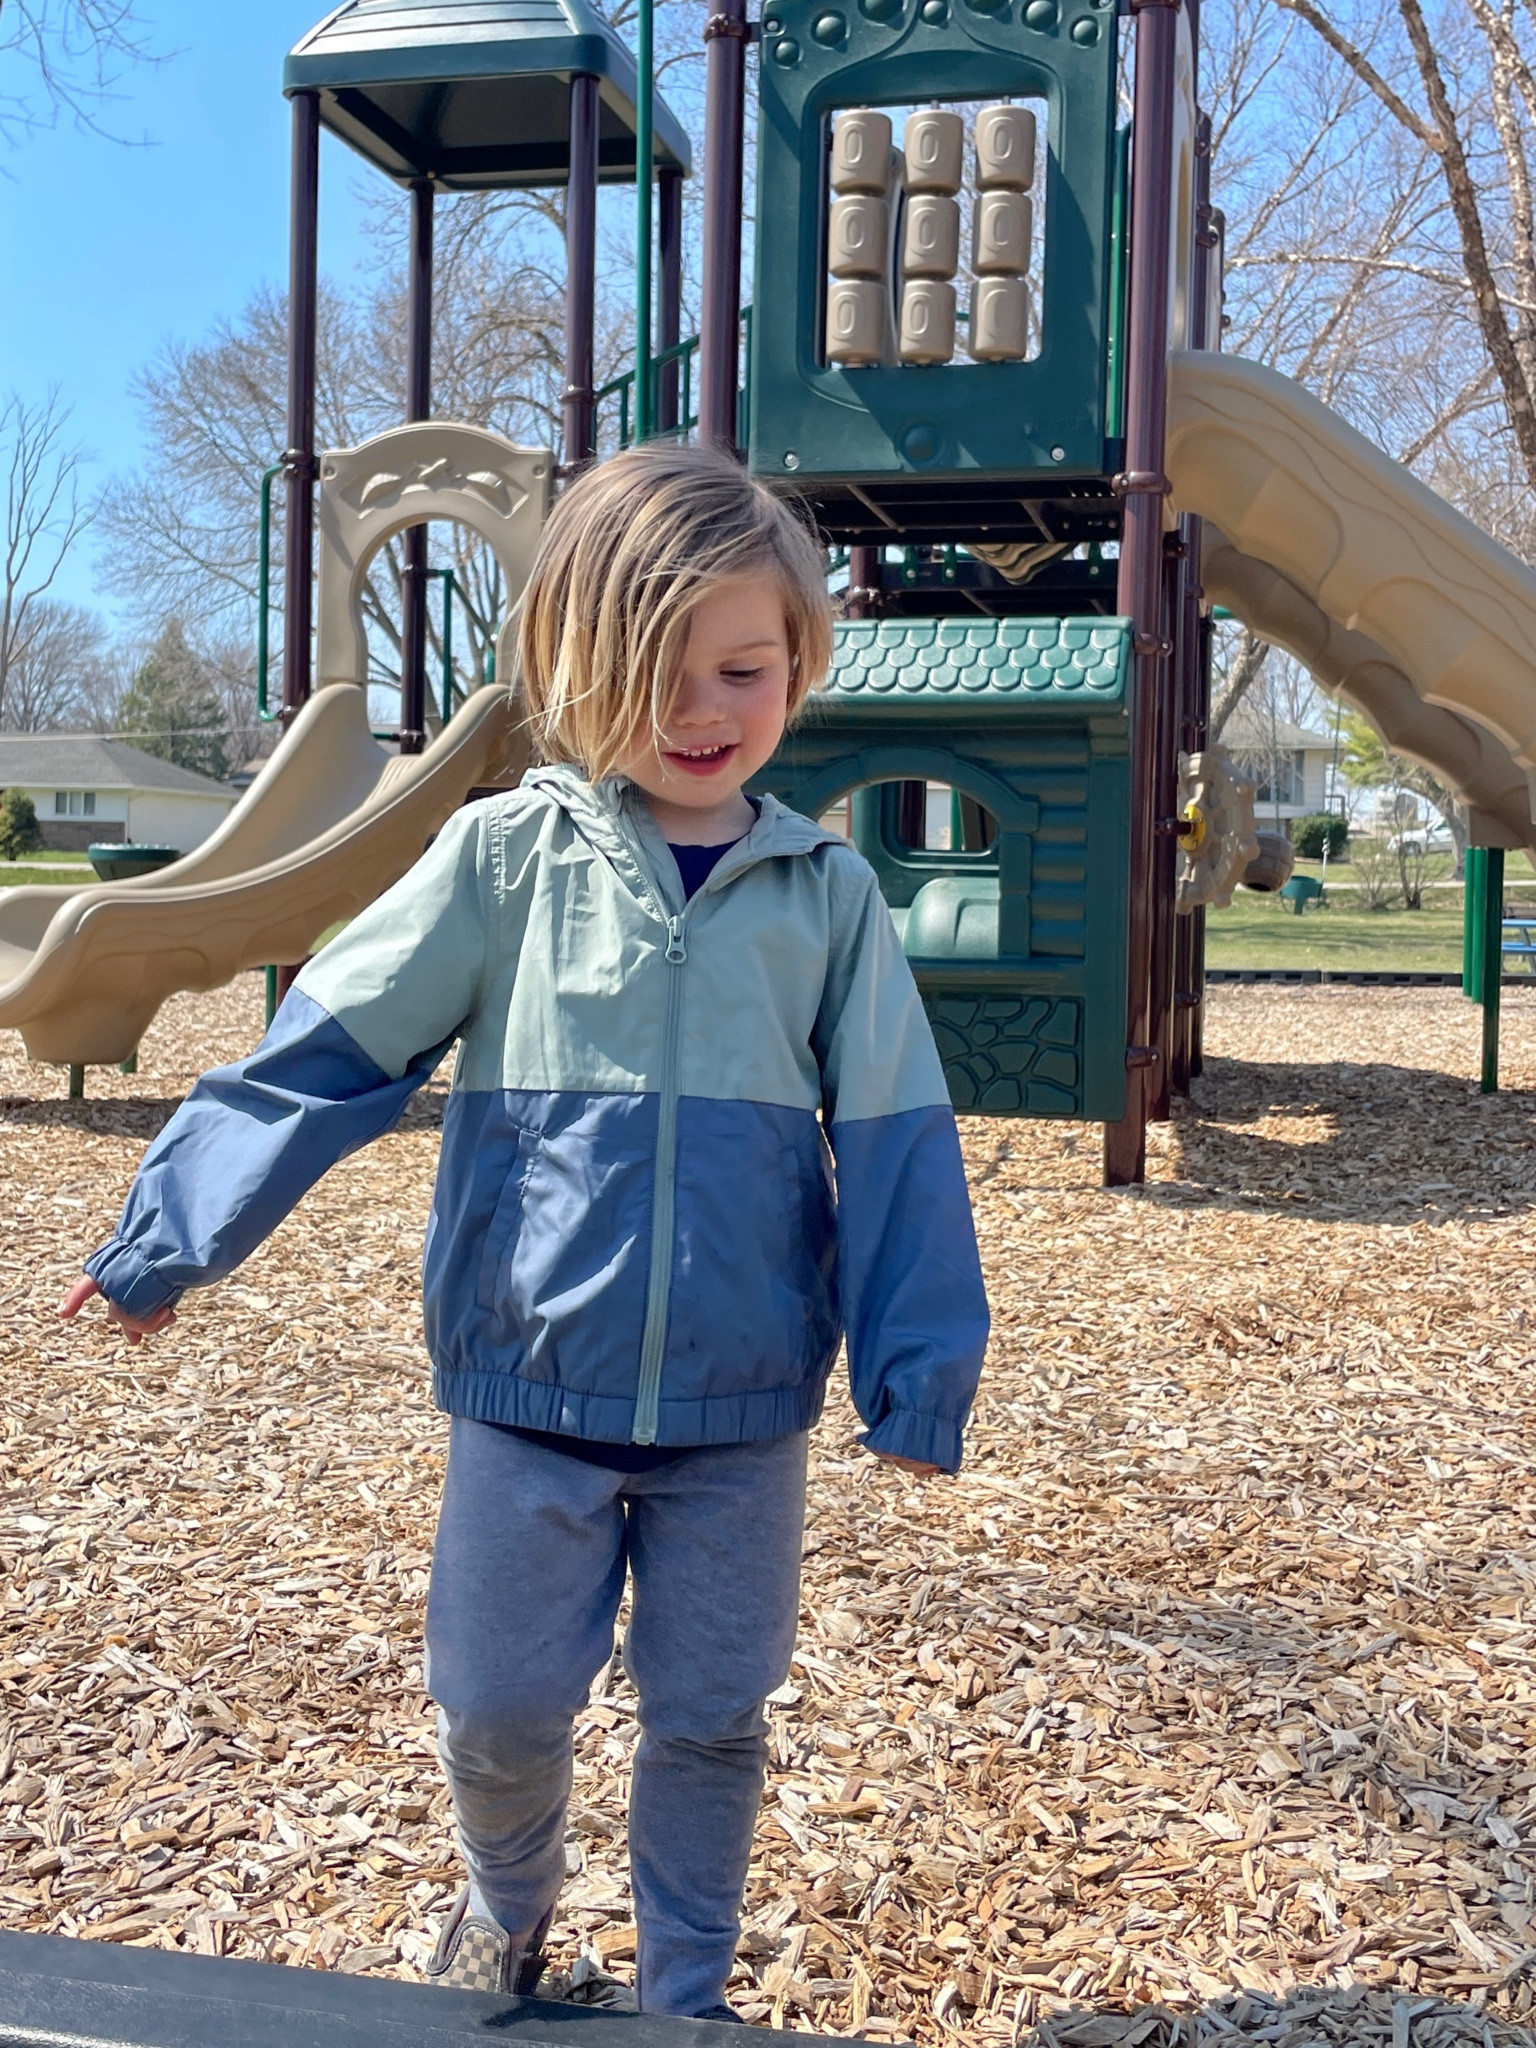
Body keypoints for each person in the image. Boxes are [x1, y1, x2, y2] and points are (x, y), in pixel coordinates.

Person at [60, 442, 989, 2018]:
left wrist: (916, 1375)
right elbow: (333, 1051)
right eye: (656, 676)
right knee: (495, 1706)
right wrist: (172, 1235)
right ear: (573, 670)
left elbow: (900, 1143)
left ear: (798, 663)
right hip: (524, 1400)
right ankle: (509, 1905)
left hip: (739, 1410)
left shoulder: (828, 899)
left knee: (709, 1714)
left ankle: (685, 1991)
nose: (704, 712)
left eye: (743, 670)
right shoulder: (504, 863)